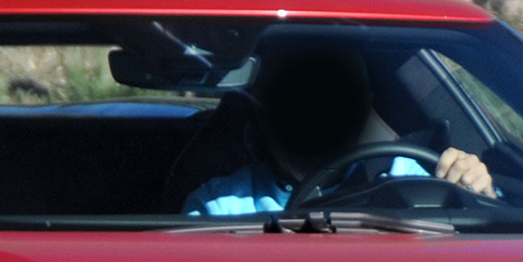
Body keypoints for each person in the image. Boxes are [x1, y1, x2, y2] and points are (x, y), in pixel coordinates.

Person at [183, 42, 494, 215]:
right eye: (296, 100)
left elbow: (485, 257)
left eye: (332, 100)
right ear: (262, 110)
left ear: (362, 108)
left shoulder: (406, 177)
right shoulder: (220, 206)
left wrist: (479, 190)